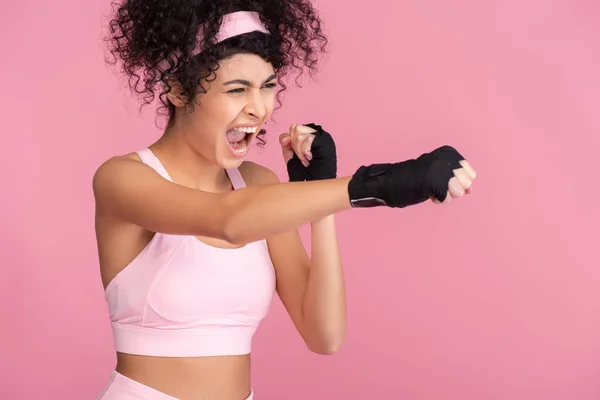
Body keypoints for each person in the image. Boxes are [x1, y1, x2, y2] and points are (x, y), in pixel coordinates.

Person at [94, 0, 477, 399]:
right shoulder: (123, 179)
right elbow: (227, 221)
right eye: (237, 89)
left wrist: (318, 193)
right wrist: (383, 184)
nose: (260, 109)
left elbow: (323, 334)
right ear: (176, 89)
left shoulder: (257, 185)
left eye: (268, 86)